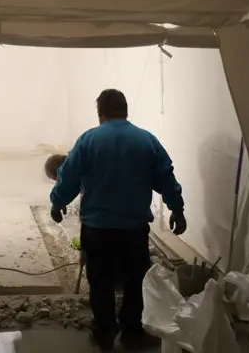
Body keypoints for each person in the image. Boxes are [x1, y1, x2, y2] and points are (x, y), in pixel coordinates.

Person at [49, 89, 186, 351]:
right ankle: (132, 329)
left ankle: (104, 330)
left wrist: (58, 201)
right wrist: (176, 208)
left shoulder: (88, 140)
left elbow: (69, 176)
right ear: (125, 110)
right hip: (133, 229)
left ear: (100, 113)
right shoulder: (147, 141)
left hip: (98, 228)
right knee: (135, 280)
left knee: (100, 280)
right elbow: (165, 177)